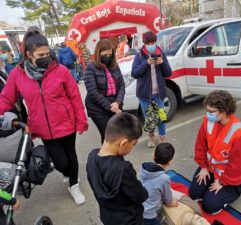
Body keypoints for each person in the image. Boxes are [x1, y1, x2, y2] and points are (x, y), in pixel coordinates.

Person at [0, 30, 88, 205]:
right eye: (41, 55)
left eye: (47, 53)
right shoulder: (17, 75)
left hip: (67, 123)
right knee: (61, 163)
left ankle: (74, 184)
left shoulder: (61, 71)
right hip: (43, 128)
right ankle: (68, 172)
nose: (46, 57)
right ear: (29, 55)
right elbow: (5, 98)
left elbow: (75, 98)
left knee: (71, 157)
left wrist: (81, 121)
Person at [188, 90, 241, 214]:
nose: (208, 114)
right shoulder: (208, 122)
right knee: (194, 194)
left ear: (224, 111)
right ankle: (212, 188)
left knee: (210, 206)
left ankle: (239, 188)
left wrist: (222, 182)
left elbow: (238, 166)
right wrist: (203, 167)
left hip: (229, 176)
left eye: (211, 112)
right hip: (210, 168)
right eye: (207, 110)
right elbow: (200, 146)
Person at [86, 112, 149, 225]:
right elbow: (140, 195)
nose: (132, 148)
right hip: (130, 221)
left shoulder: (92, 157)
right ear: (123, 143)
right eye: (133, 144)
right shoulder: (124, 169)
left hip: (108, 218)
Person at [131, 31, 172, 147]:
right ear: (144, 43)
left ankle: (163, 137)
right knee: (149, 118)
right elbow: (134, 73)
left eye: (153, 42)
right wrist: (146, 63)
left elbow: (168, 73)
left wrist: (162, 63)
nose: (151, 45)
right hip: (144, 95)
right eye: (148, 43)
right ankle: (152, 138)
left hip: (158, 93)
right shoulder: (139, 56)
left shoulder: (161, 53)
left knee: (161, 116)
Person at [84, 39, 125, 144]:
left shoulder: (114, 66)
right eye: (105, 54)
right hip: (98, 108)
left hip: (115, 104)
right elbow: (93, 92)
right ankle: (107, 159)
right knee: (108, 136)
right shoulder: (90, 68)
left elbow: (121, 85)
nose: (108, 57)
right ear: (99, 53)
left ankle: (116, 158)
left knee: (117, 134)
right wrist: (110, 106)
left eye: (110, 54)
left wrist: (118, 102)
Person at [140, 143, 178, 225]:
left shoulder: (144, 168)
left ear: (153, 156)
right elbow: (168, 199)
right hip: (150, 214)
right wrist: (172, 203)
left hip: (139, 206)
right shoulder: (164, 178)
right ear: (169, 162)